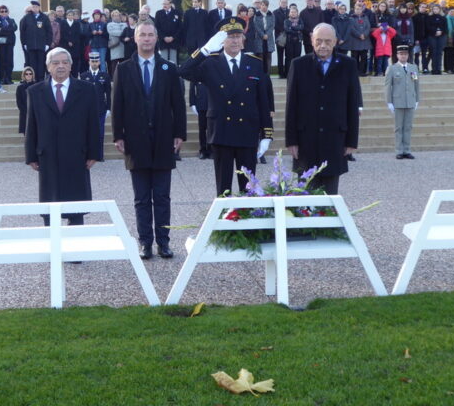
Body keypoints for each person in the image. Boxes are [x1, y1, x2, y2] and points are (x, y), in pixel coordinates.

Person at [112, 20, 186, 259]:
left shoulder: (169, 68)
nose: (146, 39)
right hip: (135, 140)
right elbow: (117, 105)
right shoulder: (123, 69)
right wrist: (118, 135)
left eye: (150, 35)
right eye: (142, 35)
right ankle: (145, 242)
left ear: (156, 38)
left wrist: (179, 133)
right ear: (135, 38)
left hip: (164, 139)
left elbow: (178, 105)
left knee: (163, 197)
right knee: (141, 198)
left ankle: (163, 242)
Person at [179, 21, 273, 197]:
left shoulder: (254, 63)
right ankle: (224, 221)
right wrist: (205, 50)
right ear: (222, 41)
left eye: (238, 37)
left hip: (247, 132)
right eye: (230, 37)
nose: (235, 41)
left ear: (243, 40)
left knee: (248, 189)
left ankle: (248, 222)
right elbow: (184, 71)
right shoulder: (211, 63)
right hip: (222, 132)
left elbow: (263, 101)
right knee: (223, 189)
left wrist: (267, 134)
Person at [26, 47, 101, 227]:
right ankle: (52, 252)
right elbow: (31, 126)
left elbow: (93, 124)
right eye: (56, 63)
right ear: (48, 67)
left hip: (77, 155)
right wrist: (31, 156)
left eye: (65, 62)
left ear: (71, 66)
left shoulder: (87, 89)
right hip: (48, 155)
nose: (61, 66)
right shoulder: (35, 92)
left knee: (75, 208)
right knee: (49, 209)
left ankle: (75, 253)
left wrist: (94, 153)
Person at [285, 23, 361, 195]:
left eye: (328, 41)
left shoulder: (348, 65)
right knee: (304, 196)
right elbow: (291, 105)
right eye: (319, 41)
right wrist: (291, 140)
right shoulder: (298, 65)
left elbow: (352, 104)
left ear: (335, 41)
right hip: (306, 139)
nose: (323, 46)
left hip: (335, 139)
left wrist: (351, 141)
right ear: (312, 40)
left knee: (330, 195)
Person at [385, 45, 420, 159]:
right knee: (399, 127)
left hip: (410, 100)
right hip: (398, 101)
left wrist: (417, 100)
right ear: (397, 55)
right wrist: (389, 101)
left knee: (408, 127)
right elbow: (387, 86)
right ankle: (399, 151)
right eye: (401, 54)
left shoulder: (413, 68)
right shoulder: (392, 68)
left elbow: (416, 84)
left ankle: (407, 150)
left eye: (405, 54)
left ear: (408, 55)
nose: (403, 56)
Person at [80, 51, 112, 161]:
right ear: (89, 61)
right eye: (92, 61)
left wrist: (109, 108)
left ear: (99, 62)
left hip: (100, 109)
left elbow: (108, 93)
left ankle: (99, 155)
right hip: (87, 110)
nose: (94, 63)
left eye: (96, 61)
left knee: (100, 134)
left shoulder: (105, 76)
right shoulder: (84, 76)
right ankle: (88, 155)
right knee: (87, 133)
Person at [0, 5, 17, 84]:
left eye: (5, 11)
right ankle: (0, 78)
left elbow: (14, 28)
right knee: (1, 61)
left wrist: (3, 29)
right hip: (0, 44)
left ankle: (8, 78)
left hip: (9, 44)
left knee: (9, 61)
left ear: (8, 12)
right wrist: (7, 29)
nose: (4, 13)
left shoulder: (11, 20)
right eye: (2, 11)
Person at [155, 0, 181, 64]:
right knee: (163, 61)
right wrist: (164, 37)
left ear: (170, 4)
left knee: (173, 61)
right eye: (163, 4)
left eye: (166, 4)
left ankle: (173, 74)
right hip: (163, 41)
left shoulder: (177, 13)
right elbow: (157, 27)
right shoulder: (158, 13)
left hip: (174, 41)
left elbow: (180, 27)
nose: (164, 5)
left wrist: (173, 37)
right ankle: (164, 74)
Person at [16, 67, 36, 134]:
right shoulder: (20, 87)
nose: (28, 75)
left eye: (30, 74)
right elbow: (19, 102)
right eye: (26, 74)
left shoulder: (37, 86)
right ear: (23, 75)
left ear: (33, 75)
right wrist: (26, 111)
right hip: (24, 113)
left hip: (35, 113)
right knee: (26, 133)